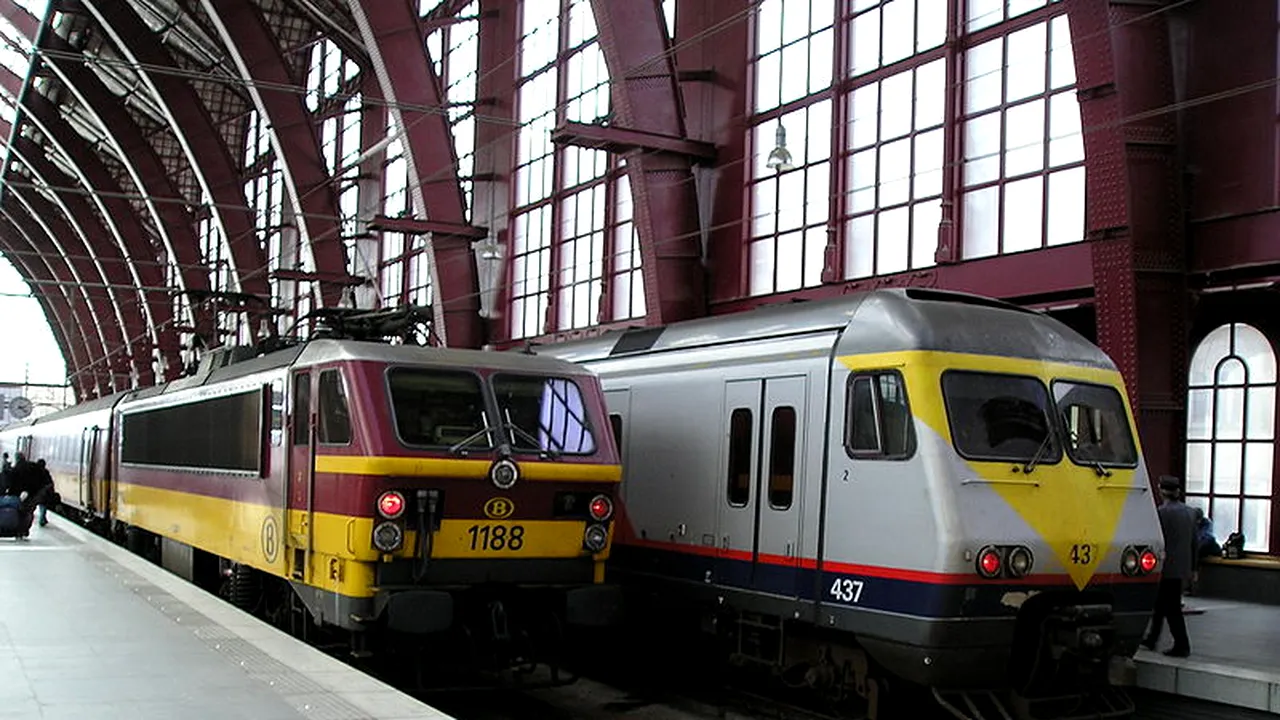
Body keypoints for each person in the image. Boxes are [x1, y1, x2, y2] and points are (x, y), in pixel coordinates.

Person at [1141, 475, 1197, 657]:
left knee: (1171, 608)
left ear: (1161, 490)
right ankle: (1152, 638)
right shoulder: (1190, 512)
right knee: (1161, 604)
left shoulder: (1161, 513)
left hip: (1166, 567)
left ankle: (1182, 644)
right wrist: (1194, 568)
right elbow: (1195, 542)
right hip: (1182, 567)